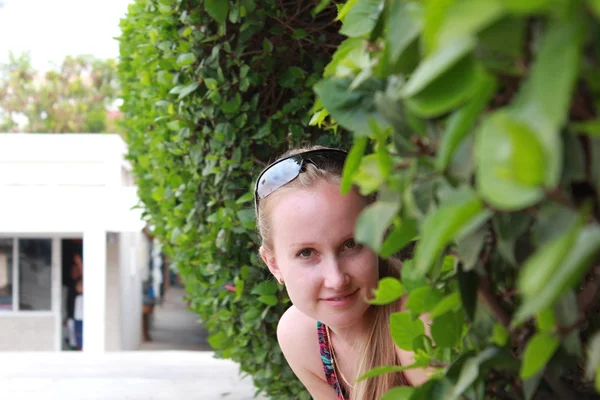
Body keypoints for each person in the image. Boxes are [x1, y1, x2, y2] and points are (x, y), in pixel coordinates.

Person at [254, 146, 429, 400]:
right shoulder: (301, 335)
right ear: (273, 264)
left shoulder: (415, 321)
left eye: (351, 245)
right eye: (306, 253)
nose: (336, 279)